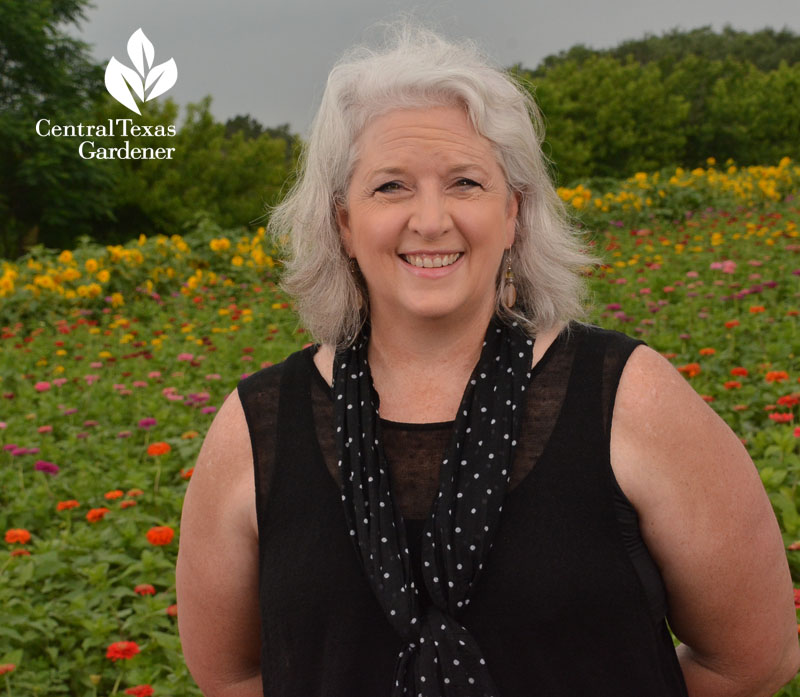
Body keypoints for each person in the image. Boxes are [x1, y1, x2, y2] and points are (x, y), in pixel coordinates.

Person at [176, 24, 800, 697]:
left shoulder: (630, 399)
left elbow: (752, 658)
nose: (431, 218)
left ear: (513, 213)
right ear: (344, 225)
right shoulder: (254, 430)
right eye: (390, 187)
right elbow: (230, 673)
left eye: (465, 182)